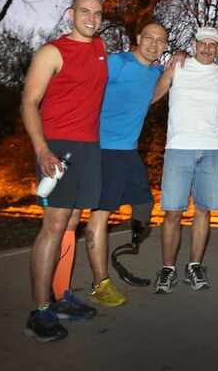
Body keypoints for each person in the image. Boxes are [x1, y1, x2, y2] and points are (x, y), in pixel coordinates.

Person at [20, 0, 106, 342]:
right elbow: (28, 101)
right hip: (58, 148)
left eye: (98, 13)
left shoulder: (100, 48)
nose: (92, 17)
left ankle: (62, 296)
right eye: (85, 11)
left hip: (89, 149)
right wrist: (41, 150)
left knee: (72, 222)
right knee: (53, 226)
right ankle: (39, 311)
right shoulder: (51, 52)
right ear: (71, 14)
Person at [87, 22, 171, 305]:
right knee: (100, 215)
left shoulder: (157, 71)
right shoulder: (117, 62)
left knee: (145, 205)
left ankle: (127, 247)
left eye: (160, 41)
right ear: (138, 39)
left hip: (128, 152)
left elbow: (151, 97)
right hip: (103, 149)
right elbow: (88, 92)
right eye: (149, 38)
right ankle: (101, 283)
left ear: (164, 47)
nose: (153, 44)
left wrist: (172, 70)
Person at [153, 27, 218, 293]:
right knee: (173, 212)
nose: (208, 49)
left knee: (203, 210)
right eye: (203, 43)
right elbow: (153, 97)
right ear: (193, 44)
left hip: (212, 150)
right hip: (179, 148)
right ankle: (168, 269)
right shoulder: (177, 66)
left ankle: (194, 266)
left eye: (213, 45)